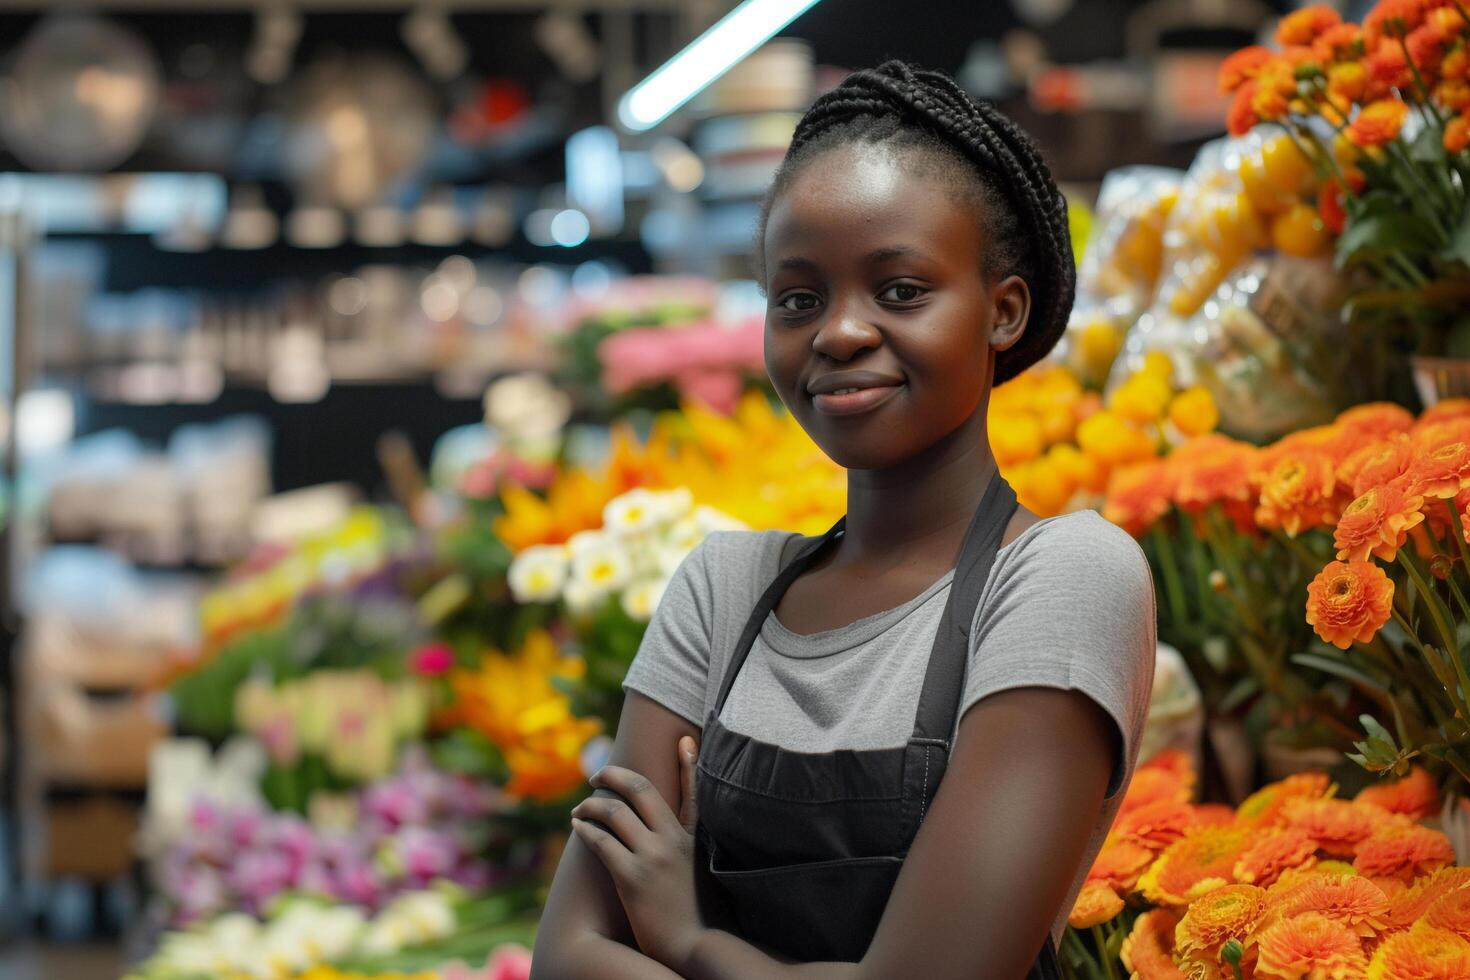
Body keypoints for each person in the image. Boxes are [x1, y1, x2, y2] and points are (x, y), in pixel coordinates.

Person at [531, 61, 1156, 980]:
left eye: (900, 290)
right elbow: (568, 958)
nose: (838, 332)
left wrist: (691, 941)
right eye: (798, 298)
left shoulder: (1063, 578)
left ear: (1003, 312)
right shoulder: (722, 590)